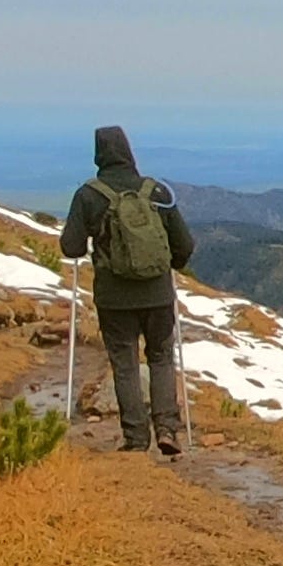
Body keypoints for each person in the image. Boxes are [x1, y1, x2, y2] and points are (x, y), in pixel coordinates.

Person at [58, 124, 197, 456]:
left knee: (125, 363)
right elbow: (185, 244)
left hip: (114, 297)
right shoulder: (156, 192)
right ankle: (167, 429)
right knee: (161, 357)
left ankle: (135, 438)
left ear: (98, 155)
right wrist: (169, 265)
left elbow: (71, 247)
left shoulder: (89, 195)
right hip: (158, 294)